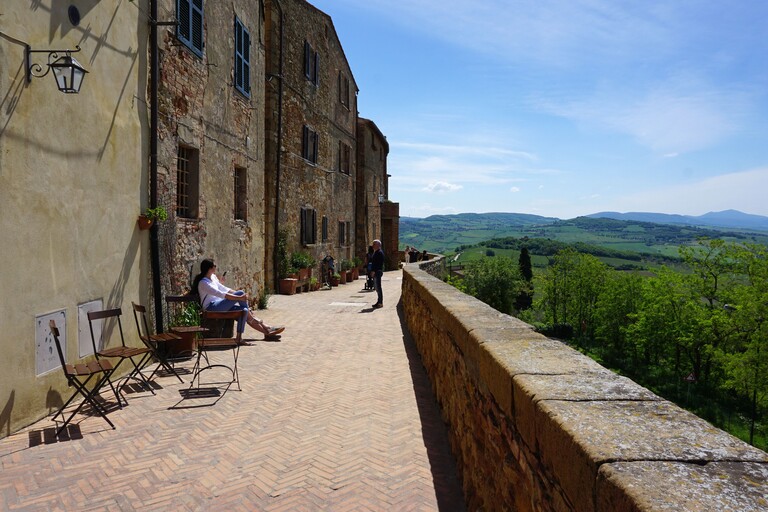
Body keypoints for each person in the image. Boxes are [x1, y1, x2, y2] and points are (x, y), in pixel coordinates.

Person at [191, 259, 284, 337]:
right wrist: (239, 297)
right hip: (211, 308)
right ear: (210, 268)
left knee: (244, 310)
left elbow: (224, 289)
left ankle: (263, 333)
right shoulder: (203, 283)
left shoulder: (213, 277)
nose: (216, 267)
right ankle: (263, 325)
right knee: (240, 294)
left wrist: (238, 294)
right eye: (214, 265)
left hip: (220, 304)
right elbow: (221, 294)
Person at [371, 239, 385, 309]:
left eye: (374, 244)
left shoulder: (379, 253)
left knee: (378, 287)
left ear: (378, 245)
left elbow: (378, 264)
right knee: (377, 288)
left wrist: (374, 271)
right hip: (377, 271)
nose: (372, 246)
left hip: (377, 272)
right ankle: (379, 301)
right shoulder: (377, 252)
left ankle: (380, 302)